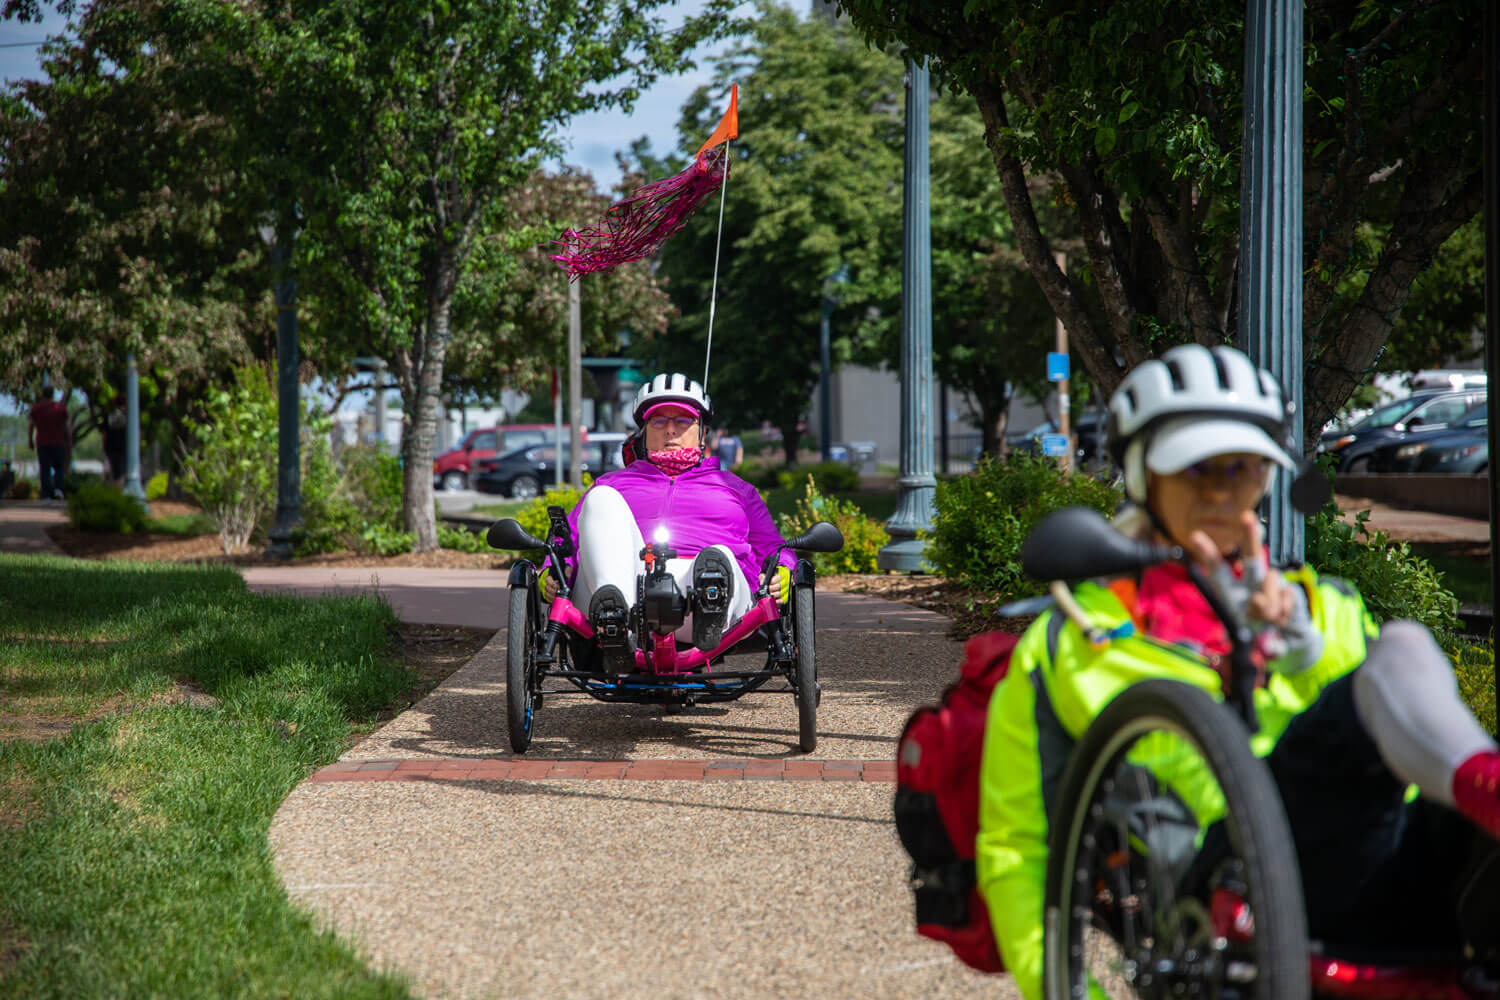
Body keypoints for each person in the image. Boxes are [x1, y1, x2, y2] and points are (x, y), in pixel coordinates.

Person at [976, 343, 1500, 999]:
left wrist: (1300, 643)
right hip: (1225, 891)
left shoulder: (1325, 607)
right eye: (1199, 469)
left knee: (1400, 650)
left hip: (1388, 864)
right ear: (1143, 476)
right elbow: (1018, 849)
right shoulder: (1068, 641)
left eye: (1246, 469)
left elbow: (1393, 748)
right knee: (1397, 654)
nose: (1225, 491)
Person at [542, 373, 794, 673]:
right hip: (629, 597)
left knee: (719, 557)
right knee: (601, 499)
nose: (670, 430)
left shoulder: (735, 488)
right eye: (658, 421)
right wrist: (552, 570)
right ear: (643, 432)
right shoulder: (612, 484)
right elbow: (567, 542)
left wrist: (785, 571)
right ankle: (616, 623)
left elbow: (775, 548)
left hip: (713, 608)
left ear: (702, 433)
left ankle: (709, 601)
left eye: (683, 421)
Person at [28, 388, 71, 501]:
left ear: (43, 394)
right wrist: (69, 442)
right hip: (58, 442)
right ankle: (58, 490)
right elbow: (67, 427)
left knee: (45, 468)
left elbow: (31, 425)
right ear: (53, 394)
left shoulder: (37, 408)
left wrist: (30, 441)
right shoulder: (60, 408)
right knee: (59, 468)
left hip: (42, 443)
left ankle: (46, 494)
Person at [103, 395, 128, 484]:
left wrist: (104, 447)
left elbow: (104, 433)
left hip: (110, 447)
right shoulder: (128, 415)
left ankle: (114, 492)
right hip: (123, 447)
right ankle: (119, 492)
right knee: (121, 473)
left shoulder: (109, 415)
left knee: (113, 472)